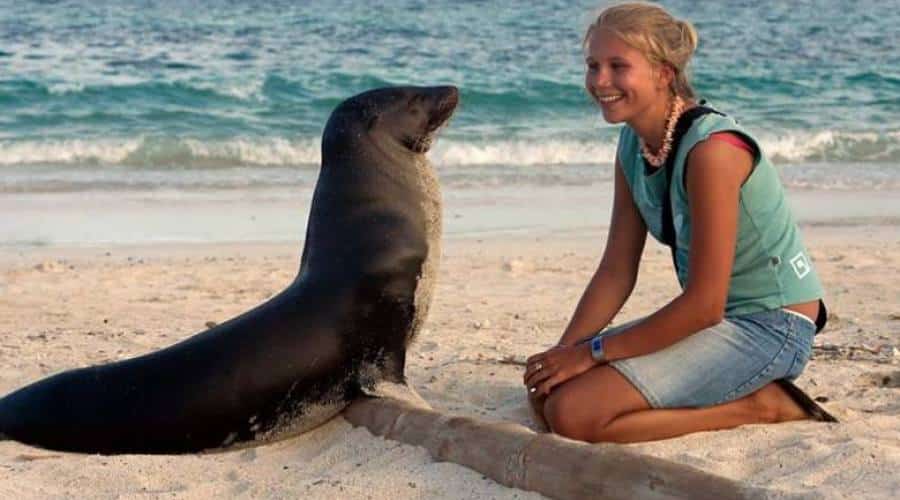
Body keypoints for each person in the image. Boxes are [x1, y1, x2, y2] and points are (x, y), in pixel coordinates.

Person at [523, 2, 828, 444]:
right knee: (549, 394)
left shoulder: (714, 152)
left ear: (664, 74)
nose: (600, 81)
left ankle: (762, 406)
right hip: (717, 321)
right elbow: (616, 270)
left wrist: (591, 353)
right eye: (593, 66)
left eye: (617, 66)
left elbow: (705, 304)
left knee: (574, 414)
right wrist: (563, 354)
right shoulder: (634, 142)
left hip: (771, 327)